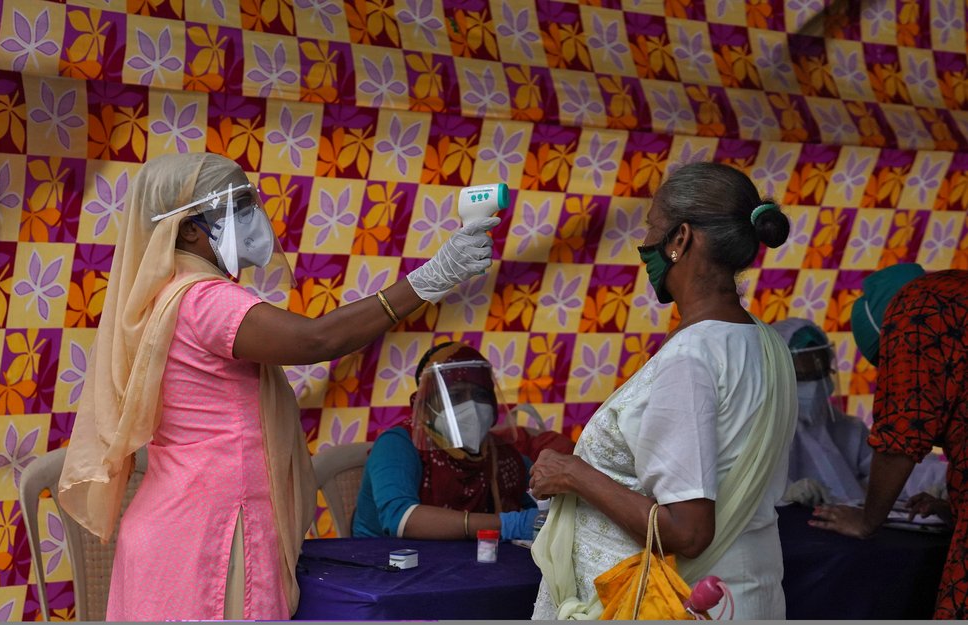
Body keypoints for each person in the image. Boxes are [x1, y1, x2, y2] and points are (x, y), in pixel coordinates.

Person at [56, 153, 499, 620]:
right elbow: (317, 339)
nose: (254, 216)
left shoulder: (164, 295)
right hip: (213, 533)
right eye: (239, 204)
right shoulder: (207, 300)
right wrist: (431, 279)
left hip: (178, 527)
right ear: (189, 229)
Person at [528, 161, 798, 620]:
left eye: (653, 227)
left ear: (680, 238)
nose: (645, 243)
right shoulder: (766, 342)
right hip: (747, 596)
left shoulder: (690, 358)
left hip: (685, 604)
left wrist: (574, 475)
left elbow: (688, 532)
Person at [810, 263, 968, 620]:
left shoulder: (914, 312)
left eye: (888, 364)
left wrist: (868, 520)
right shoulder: (955, 290)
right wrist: (952, 506)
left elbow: (901, 435)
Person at [352, 342, 571, 540]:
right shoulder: (397, 444)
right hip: (383, 568)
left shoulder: (497, 453)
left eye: (480, 395)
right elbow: (402, 520)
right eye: (456, 396)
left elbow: (541, 497)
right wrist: (506, 525)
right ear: (426, 405)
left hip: (468, 566)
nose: (472, 407)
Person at [775, 317, 948, 507]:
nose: (815, 386)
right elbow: (747, 491)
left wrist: (942, 479)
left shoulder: (845, 428)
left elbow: (889, 469)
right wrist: (783, 496)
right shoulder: (760, 433)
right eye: (803, 377)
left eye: (821, 374)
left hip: (852, 529)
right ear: (776, 376)